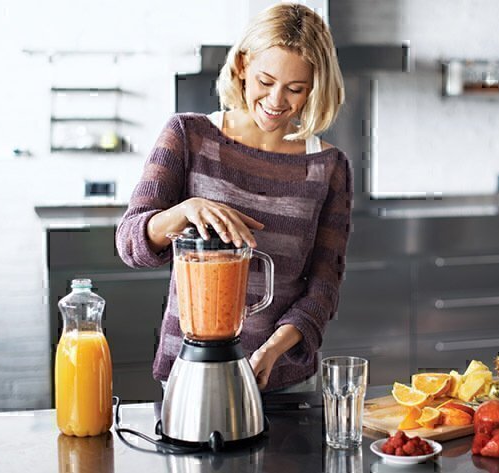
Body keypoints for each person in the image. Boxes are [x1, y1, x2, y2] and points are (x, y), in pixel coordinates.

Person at [115, 3, 351, 392]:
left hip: (282, 379)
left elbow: (324, 286)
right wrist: (184, 212)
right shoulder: (188, 136)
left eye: (296, 89)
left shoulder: (329, 167)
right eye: (265, 81)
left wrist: (273, 350)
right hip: (191, 373)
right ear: (242, 66)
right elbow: (129, 243)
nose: (277, 101)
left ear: (315, 87)